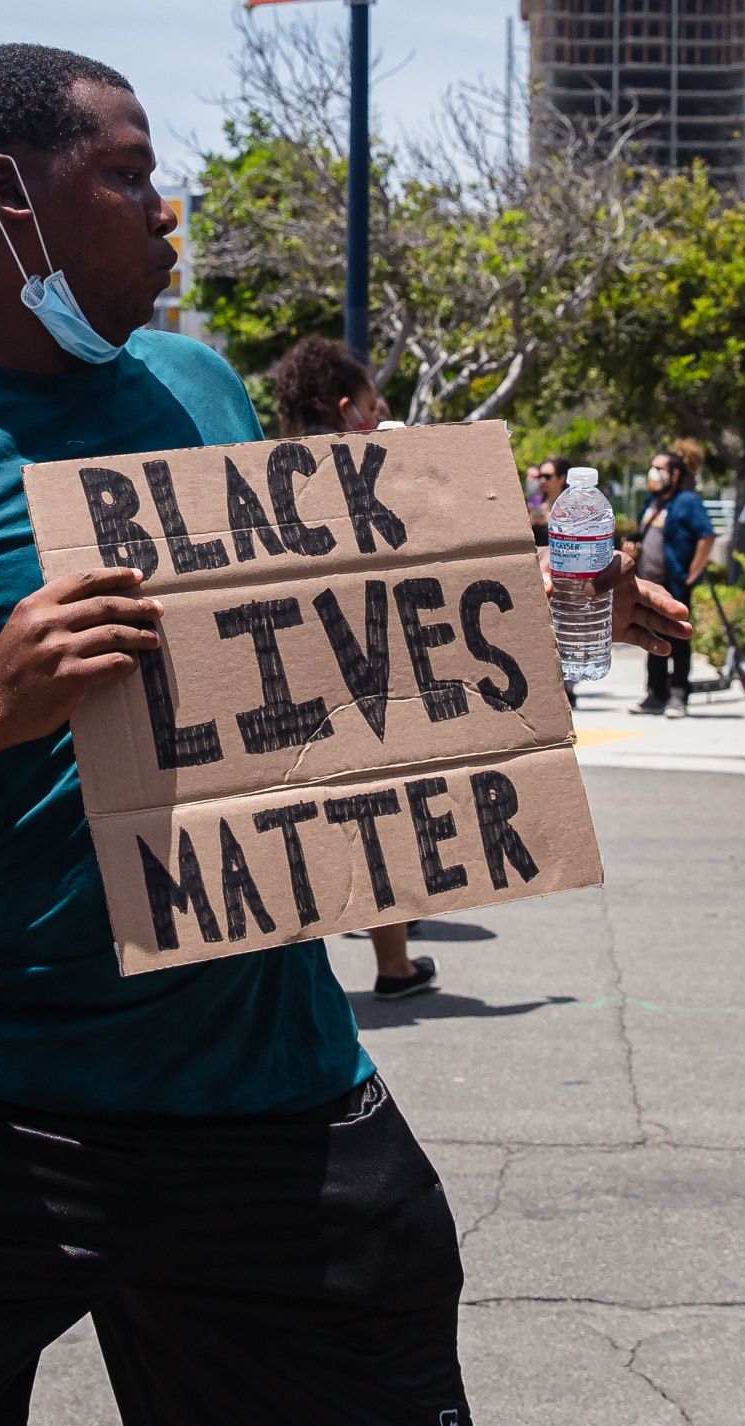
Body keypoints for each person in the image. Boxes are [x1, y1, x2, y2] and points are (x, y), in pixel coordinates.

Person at [0, 46, 684, 1426]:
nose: (169, 213)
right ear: (9, 201)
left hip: (260, 1105)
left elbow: (307, 646)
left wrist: (529, 600)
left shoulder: (194, 393)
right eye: (129, 175)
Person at [268, 331, 442, 1003]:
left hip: (288, 682)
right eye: (372, 402)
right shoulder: (379, 475)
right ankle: (393, 966)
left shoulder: (261, 477)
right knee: (382, 823)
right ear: (349, 410)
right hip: (367, 677)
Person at [633, 447, 714, 717]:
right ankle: (655, 693)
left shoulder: (687, 502)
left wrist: (692, 573)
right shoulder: (651, 504)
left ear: (675, 474)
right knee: (652, 636)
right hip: (648, 586)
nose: (652, 474)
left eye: (659, 468)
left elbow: (706, 536)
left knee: (678, 639)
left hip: (675, 586)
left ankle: (679, 693)